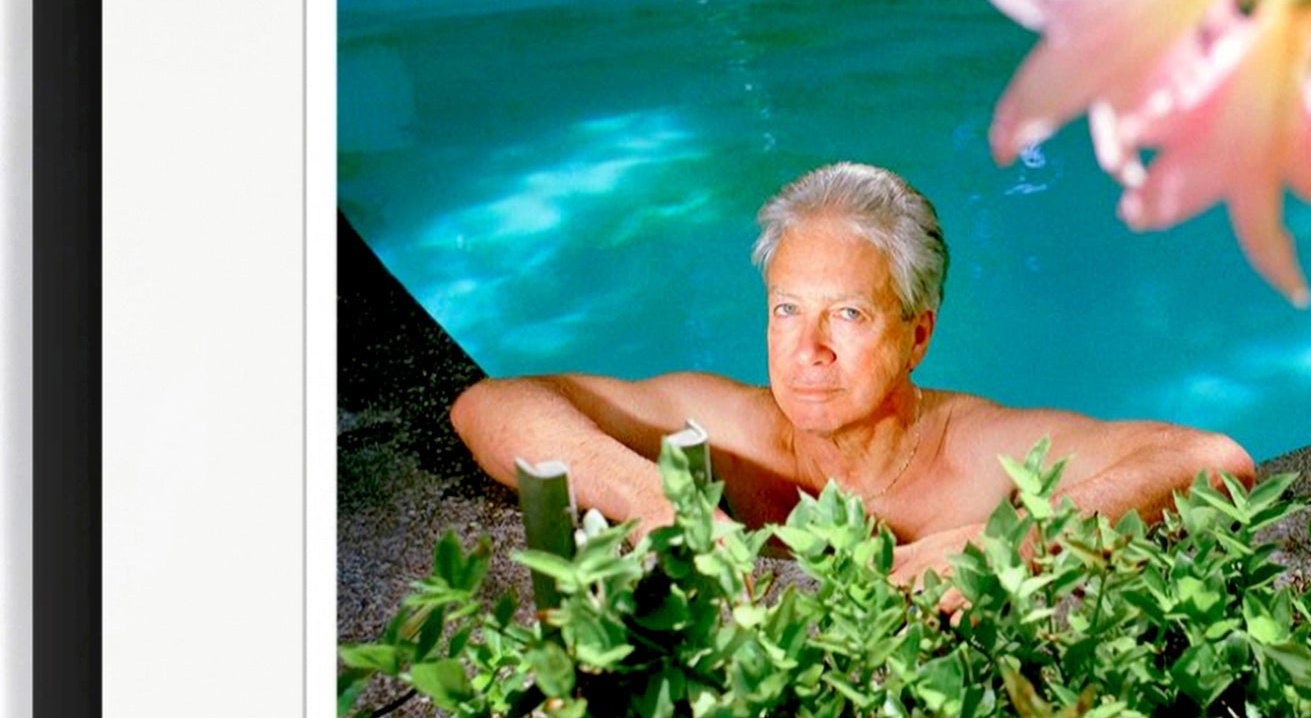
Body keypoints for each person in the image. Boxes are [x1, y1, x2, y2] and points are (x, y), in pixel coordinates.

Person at [450, 161, 1253, 591]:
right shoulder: (735, 431)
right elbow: (494, 404)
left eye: (850, 315)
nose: (809, 350)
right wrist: (659, 502)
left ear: (918, 336)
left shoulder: (980, 454)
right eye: (787, 309)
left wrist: (1013, 539)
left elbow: (1213, 458)